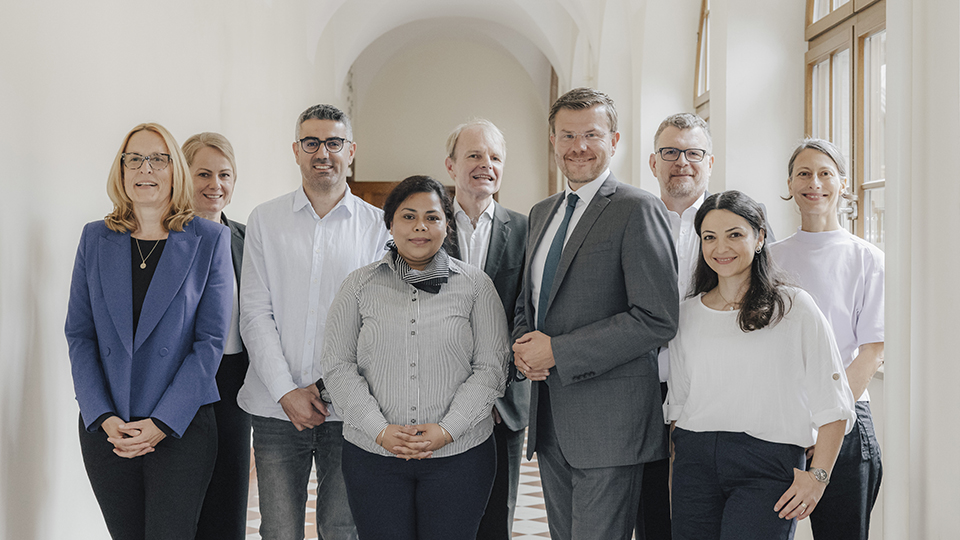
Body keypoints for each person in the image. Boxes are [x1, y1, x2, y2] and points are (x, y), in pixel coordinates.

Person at [512, 87, 679, 540]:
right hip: (550, 421)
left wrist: (559, 352)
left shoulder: (637, 208)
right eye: (567, 135)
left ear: (615, 140)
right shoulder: (542, 212)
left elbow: (657, 317)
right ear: (553, 140)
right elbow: (533, 300)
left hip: (611, 424)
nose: (579, 146)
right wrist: (525, 347)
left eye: (591, 134)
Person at [65, 123, 233, 539]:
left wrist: (161, 421)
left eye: (158, 159)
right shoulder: (95, 238)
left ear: (174, 169)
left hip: (180, 425)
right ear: (121, 171)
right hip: (110, 427)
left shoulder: (208, 239)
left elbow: (209, 344)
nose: (146, 168)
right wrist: (102, 416)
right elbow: (79, 335)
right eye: (134, 159)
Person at [322, 175, 510, 540]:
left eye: (432, 217)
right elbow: (337, 366)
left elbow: (491, 369)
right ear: (390, 223)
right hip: (373, 457)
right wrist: (379, 430)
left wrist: (447, 430)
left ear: (447, 224)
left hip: (461, 458)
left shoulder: (476, 285)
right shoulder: (358, 285)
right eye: (408, 216)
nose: (420, 226)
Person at [238, 104, 391, 540]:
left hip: (351, 410)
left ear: (351, 151)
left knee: (343, 530)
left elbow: (377, 320)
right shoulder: (265, 221)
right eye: (312, 142)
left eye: (334, 142)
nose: (323, 152)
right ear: (296, 150)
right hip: (274, 407)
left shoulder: (379, 227)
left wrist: (324, 389)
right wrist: (288, 391)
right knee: (279, 531)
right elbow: (254, 313)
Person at [666, 190, 856, 540]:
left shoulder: (794, 308)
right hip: (695, 465)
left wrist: (818, 478)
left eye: (735, 234)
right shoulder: (687, 314)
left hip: (767, 465)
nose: (720, 247)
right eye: (709, 237)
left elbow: (835, 406)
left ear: (760, 237)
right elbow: (678, 405)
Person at [642, 113, 777, 540]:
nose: (682, 161)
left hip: (713, 388)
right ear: (653, 163)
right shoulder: (633, 218)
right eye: (670, 152)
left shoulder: (733, 222)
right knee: (650, 505)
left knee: (704, 508)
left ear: (710, 162)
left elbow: (765, 300)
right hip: (642, 383)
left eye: (693, 152)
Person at [770, 139, 884, 540]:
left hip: (847, 422)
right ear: (789, 183)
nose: (813, 182)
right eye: (803, 173)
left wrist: (827, 427)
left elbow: (871, 351)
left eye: (824, 173)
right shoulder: (768, 258)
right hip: (780, 419)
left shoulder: (866, 257)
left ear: (842, 184)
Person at [443, 119, 528, 540]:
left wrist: (497, 387)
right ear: (451, 165)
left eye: (494, 157)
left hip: (502, 404)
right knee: (442, 516)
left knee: (497, 519)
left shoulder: (529, 230)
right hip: (434, 402)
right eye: (473, 154)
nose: (485, 164)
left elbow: (527, 314)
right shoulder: (425, 227)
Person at [182, 132, 251, 540]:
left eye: (225, 174)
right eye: (203, 173)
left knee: (228, 497)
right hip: (182, 378)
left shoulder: (245, 237)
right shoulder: (166, 237)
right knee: (184, 497)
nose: (215, 184)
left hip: (233, 381)